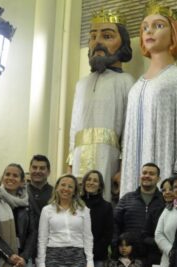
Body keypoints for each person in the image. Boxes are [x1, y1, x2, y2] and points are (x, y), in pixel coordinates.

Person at [119, 4, 177, 196]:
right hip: (132, 171)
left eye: (158, 26)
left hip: (163, 161)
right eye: (145, 27)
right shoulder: (136, 86)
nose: (149, 31)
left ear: (174, 33)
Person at [68, 10, 134, 200]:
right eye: (93, 36)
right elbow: (74, 128)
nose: (98, 42)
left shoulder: (126, 82)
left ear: (123, 42)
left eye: (107, 36)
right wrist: (70, 164)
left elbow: (129, 131)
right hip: (80, 155)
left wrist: (123, 168)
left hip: (109, 157)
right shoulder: (81, 84)